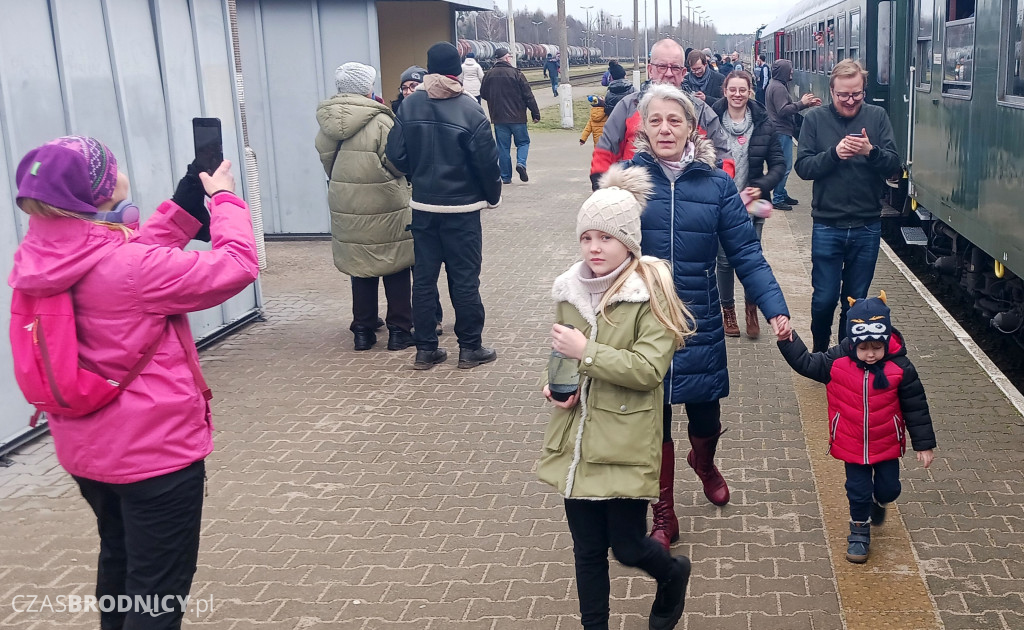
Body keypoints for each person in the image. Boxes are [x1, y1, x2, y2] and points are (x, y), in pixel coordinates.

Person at [9, 136, 258, 629]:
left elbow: (128, 253)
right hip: (155, 457)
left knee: (120, 560)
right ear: (102, 192)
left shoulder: (42, 250)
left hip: (87, 451)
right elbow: (236, 267)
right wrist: (226, 202)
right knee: (158, 590)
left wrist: (190, 196)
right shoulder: (132, 268)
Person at [627, 83, 791, 549]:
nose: (664, 128)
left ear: (691, 127)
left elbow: (746, 253)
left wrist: (776, 309)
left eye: (674, 120)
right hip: (644, 319)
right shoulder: (626, 180)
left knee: (703, 411)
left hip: (698, 316)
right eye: (655, 120)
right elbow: (600, 257)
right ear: (643, 126)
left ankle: (704, 463)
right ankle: (663, 513)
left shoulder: (716, 184)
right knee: (650, 419)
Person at [538, 164, 694, 630]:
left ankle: (672, 574)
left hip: (626, 437)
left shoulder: (651, 293)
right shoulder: (570, 290)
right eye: (586, 238)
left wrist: (587, 353)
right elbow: (564, 357)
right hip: (579, 438)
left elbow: (648, 371)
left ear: (628, 241)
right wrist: (557, 389)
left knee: (626, 546)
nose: (593, 248)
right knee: (586, 549)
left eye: (604, 238)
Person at [777, 292, 936, 563]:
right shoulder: (837, 361)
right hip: (852, 444)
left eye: (876, 347)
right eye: (863, 348)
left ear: (886, 340)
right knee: (857, 490)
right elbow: (806, 363)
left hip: (885, 443)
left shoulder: (901, 367)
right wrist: (788, 340)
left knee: (889, 489)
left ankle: (879, 501)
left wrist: (924, 444)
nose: (870, 354)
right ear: (852, 342)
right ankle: (859, 532)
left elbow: (916, 407)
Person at [386, 41, 502, 370]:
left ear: (428, 67)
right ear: (458, 69)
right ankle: (470, 348)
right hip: (462, 212)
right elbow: (487, 163)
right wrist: (492, 196)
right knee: (464, 279)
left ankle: (425, 350)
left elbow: (394, 155)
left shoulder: (409, 106)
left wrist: (417, 175)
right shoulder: (470, 109)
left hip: (423, 208)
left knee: (424, 280)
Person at [794, 59, 901, 353]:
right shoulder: (814, 119)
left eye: (856, 94)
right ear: (832, 91)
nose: (850, 101)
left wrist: (871, 152)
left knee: (855, 299)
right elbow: (803, 167)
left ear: (863, 90)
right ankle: (819, 350)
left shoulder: (877, 116)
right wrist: (834, 154)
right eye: (843, 95)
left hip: (867, 225)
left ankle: (843, 354)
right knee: (824, 298)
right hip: (828, 224)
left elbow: (894, 165)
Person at [316, 62, 414, 352]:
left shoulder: (327, 122)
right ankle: (399, 330)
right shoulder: (381, 120)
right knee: (396, 264)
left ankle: (363, 330)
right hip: (386, 202)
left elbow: (327, 161)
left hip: (346, 201)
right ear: (366, 87)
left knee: (360, 266)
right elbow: (396, 161)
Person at [590, 38, 734, 191]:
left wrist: (714, 196)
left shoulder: (702, 112)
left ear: (684, 73)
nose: (669, 73)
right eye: (662, 67)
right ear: (650, 69)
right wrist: (605, 196)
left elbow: (724, 160)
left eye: (675, 68)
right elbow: (604, 154)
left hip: (689, 204)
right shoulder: (627, 107)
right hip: (636, 202)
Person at [711, 70, 786, 339]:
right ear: (725, 91)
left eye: (743, 90)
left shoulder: (764, 123)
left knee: (752, 259)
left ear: (750, 91)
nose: (738, 94)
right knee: (723, 261)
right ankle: (727, 310)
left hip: (753, 205)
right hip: (721, 203)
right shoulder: (711, 120)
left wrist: (763, 186)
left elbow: (779, 164)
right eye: (733, 89)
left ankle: (751, 308)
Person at [765, 58, 822, 210]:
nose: (792, 72)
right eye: (789, 69)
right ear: (783, 71)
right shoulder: (779, 88)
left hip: (779, 130)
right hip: (781, 131)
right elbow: (783, 110)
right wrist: (802, 103)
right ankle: (777, 198)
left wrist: (807, 104)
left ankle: (781, 193)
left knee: (782, 164)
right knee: (785, 166)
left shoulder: (776, 85)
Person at [480, 47, 541, 184]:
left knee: (503, 147)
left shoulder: (488, 74)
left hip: (498, 118)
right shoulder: (517, 74)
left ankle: (506, 177)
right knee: (523, 142)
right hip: (518, 117)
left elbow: (483, 94)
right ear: (506, 58)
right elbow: (528, 96)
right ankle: (521, 164)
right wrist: (535, 113)